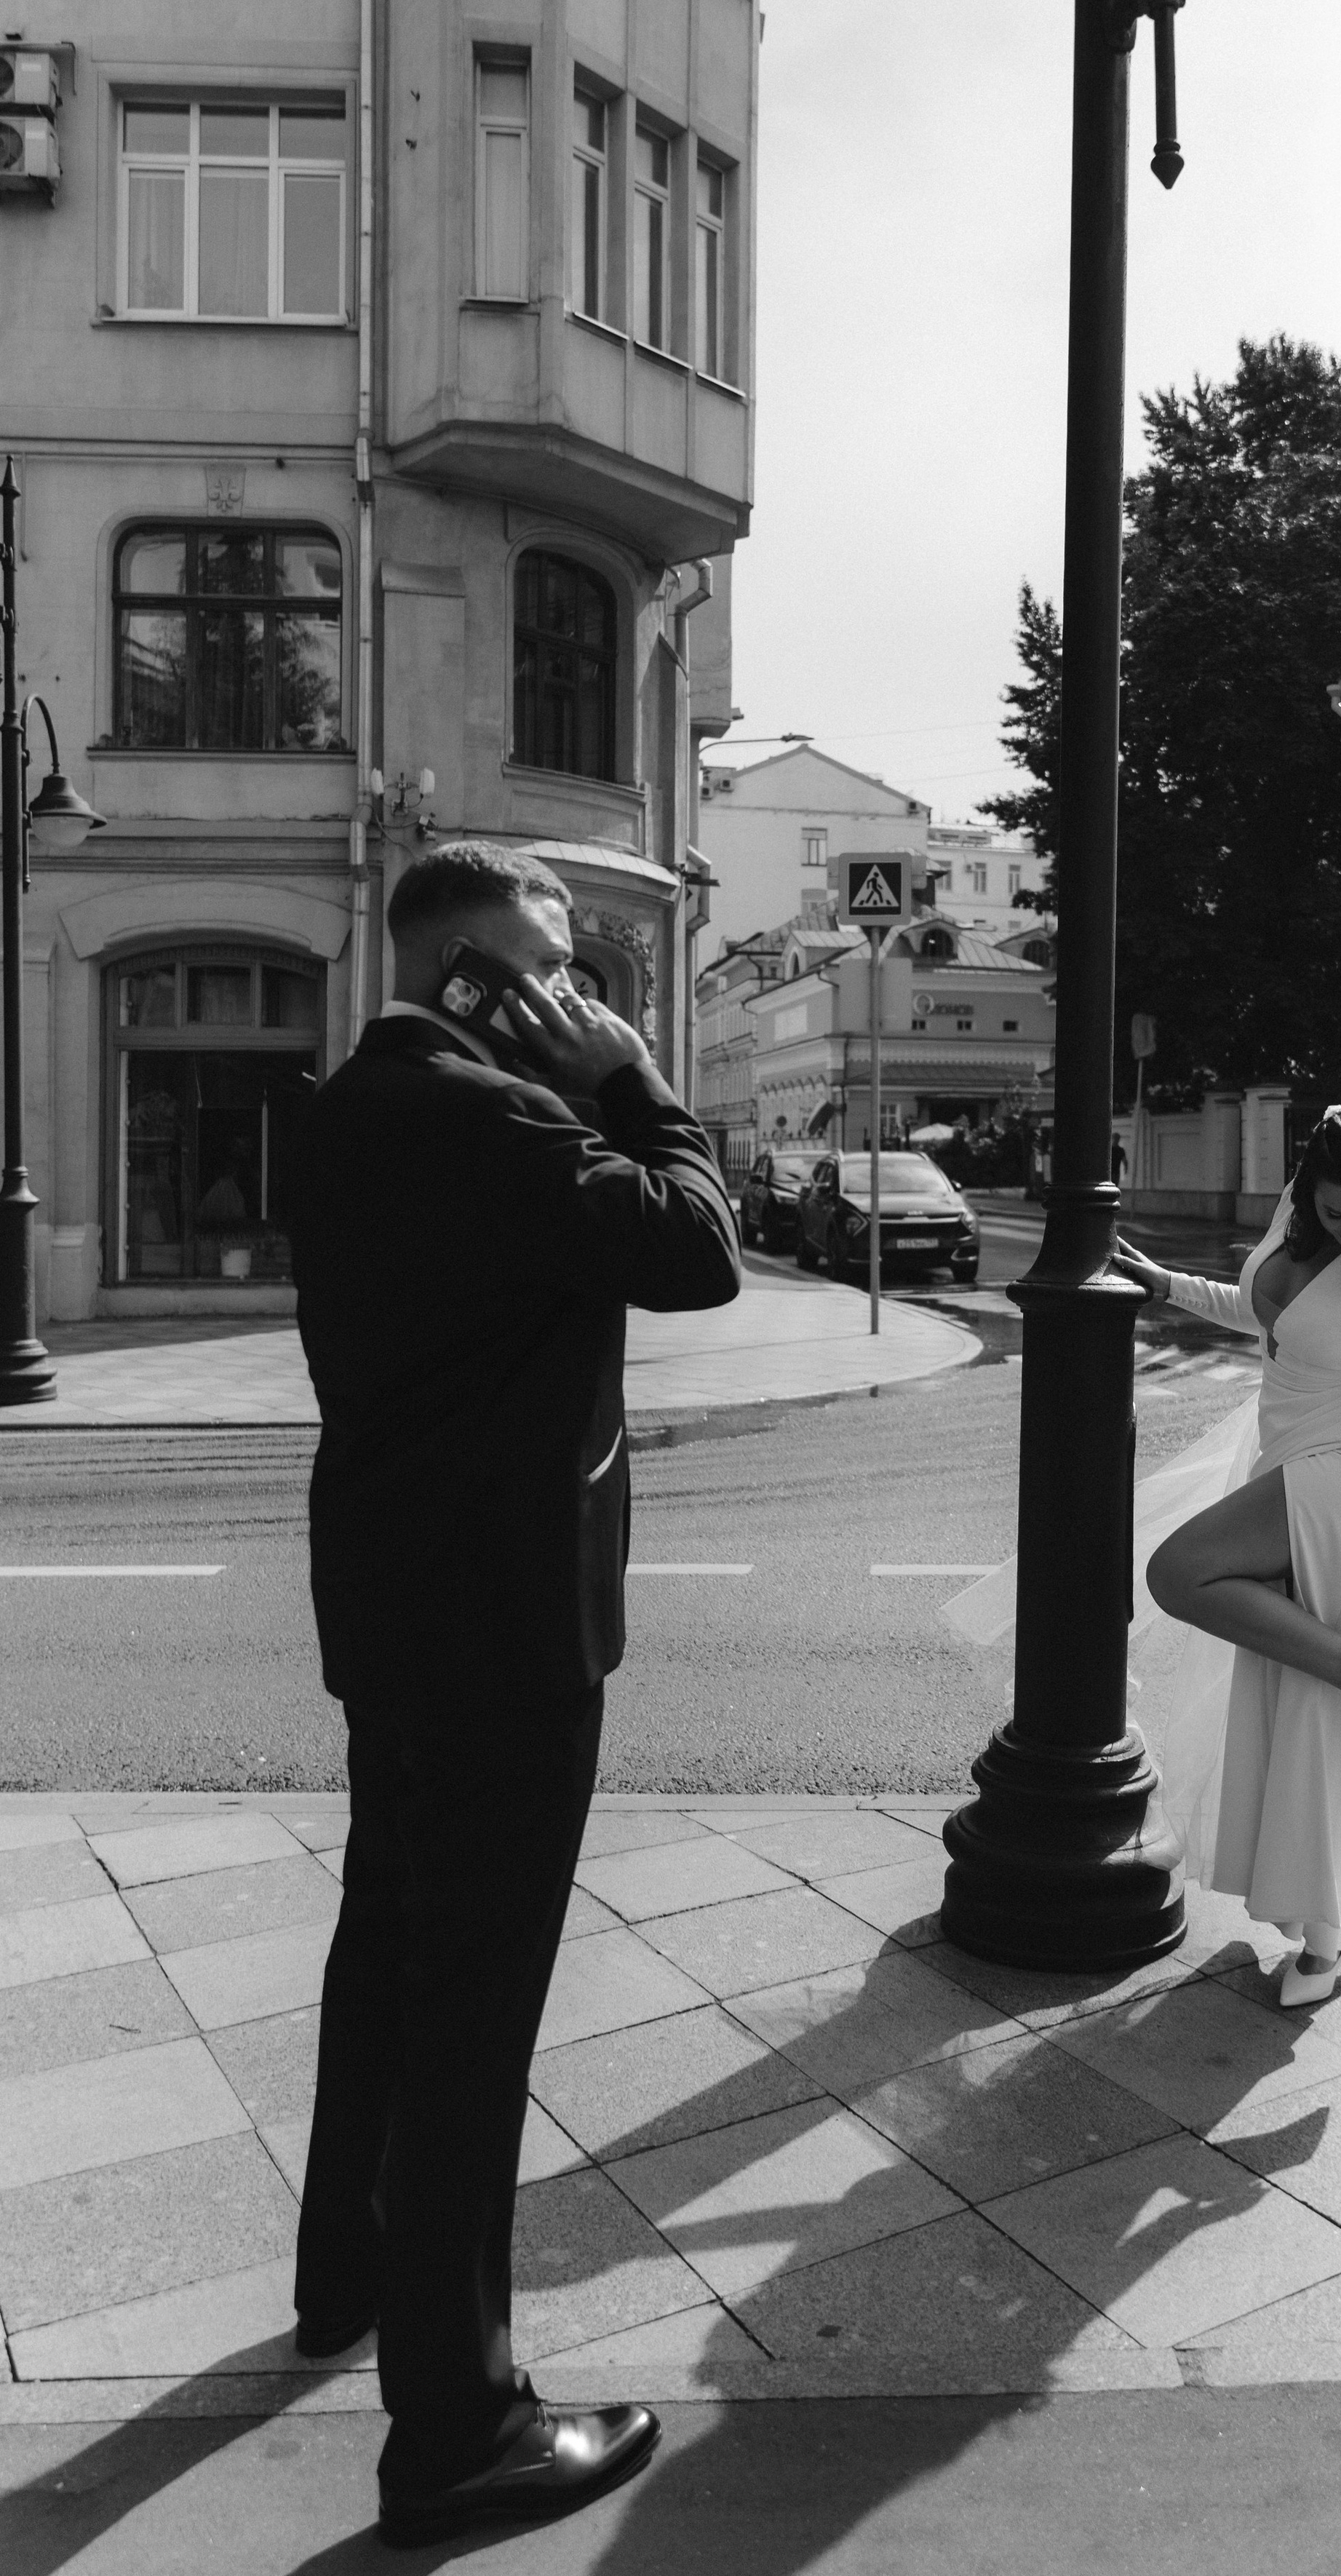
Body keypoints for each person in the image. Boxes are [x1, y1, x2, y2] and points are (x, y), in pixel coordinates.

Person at [286, 841, 740, 2547]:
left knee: (384, 1933)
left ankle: (342, 2272)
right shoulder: (495, 1115)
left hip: (394, 1598)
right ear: (482, 976)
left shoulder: (345, 1105)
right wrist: (635, 1084)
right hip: (507, 1616)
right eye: (560, 967)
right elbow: (697, 1248)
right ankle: (457, 2425)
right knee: (471, 2004)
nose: (586, 999)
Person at [1108, 1101, 1341, 2008]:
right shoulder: (1297, 1231)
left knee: (1176, 1572)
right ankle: (1324, 1940)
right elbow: (1270, 1319)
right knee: (1294, 1703)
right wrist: (1167, 1286)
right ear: (1310, 1192)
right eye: (1338, 1213)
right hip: (1288, 1460)